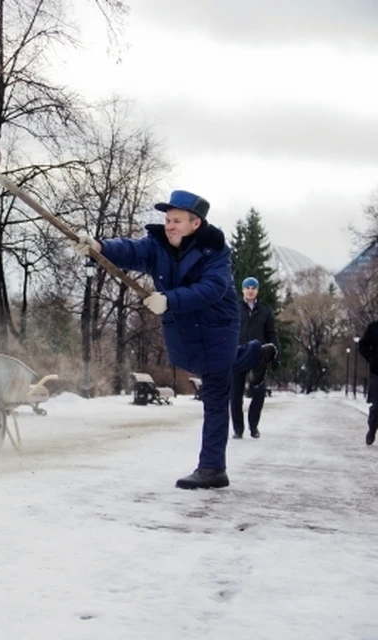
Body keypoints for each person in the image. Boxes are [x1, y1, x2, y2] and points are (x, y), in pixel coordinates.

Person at [75, 190, 277, 490]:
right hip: (183, 324)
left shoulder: (215, 250)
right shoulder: (158, 244)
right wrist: (99, 246)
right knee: (192, 363)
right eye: (168, 219)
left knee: (215, 388)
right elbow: (132, 252)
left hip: (216, 325)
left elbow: (212, 288)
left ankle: (212, 468)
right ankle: (254, 355)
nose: (169, 225)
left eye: (177, 220)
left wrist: (168, 299)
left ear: (195, 224)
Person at [230, 276, 279, 439]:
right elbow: (227, 331)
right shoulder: (235, 308)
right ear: (242, 290)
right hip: (237, 355)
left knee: (259, 393)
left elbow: (272, 334)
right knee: (235, 394)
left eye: (253, 288)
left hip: (258, 356)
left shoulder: (265, 310)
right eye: (247, 287)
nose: (250, 290)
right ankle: (238, 428)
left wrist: (274, 355)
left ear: (257, 290)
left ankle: (253, 426)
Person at [358, 320, 378, 445]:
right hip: (377, 372)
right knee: (377, 406)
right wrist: (372, 359)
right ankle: (372, 428)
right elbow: (362, 346)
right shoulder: (374, 327)